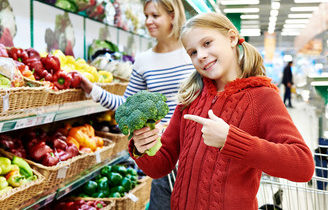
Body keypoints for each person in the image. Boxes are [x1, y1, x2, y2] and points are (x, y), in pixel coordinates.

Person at [129, 12, 315, 210]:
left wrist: (230, 140)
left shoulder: (262, 97)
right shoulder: (191, 96)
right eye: (192, 52)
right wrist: (144, 147)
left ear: (232, 38)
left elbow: (303, 165)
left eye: (207, 43)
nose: (200, 55)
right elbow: (161, 165)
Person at [79, 0, 195, 210]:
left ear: (172, 16)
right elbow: (128, 105)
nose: (148, 21)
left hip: (194, 151)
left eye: (155, 15)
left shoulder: (193, 53)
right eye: (146, 16)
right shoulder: (143, 60)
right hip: (164, 154)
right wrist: (93, 90)